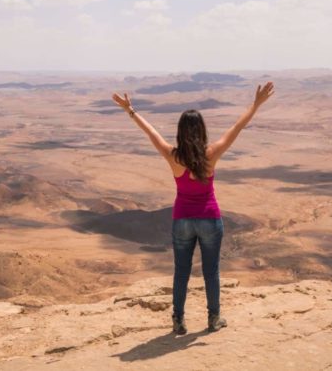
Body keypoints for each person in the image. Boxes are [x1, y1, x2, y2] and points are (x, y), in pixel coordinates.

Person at [112, 81, 275, 335]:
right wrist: (256, 105)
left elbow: (151, 132)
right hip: (210, 219)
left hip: (182, 221)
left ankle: (178, 320)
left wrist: (130, 110)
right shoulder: (212, 154)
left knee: (181, 272)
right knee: (211, 272)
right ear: (201, 131)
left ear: (179, 131)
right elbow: (237, 127)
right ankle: (214, 318)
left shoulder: (172, 155)